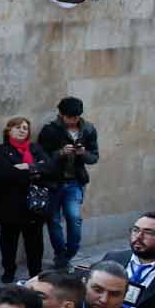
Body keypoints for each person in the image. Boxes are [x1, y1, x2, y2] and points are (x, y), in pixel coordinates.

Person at [39, 97, 98, 267]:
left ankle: (69, 254)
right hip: (53, 184)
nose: (73, 121)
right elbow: (42, 159)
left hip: (75, 182)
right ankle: (60, 256)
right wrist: (60, 153)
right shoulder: (50, 130)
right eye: (70, 117)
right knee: (54, 221)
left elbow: (94, 157)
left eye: (76, 117)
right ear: (61, 115)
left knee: (74, 218)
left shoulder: (87, 129)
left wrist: (83, 154)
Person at [0, 116, 51, 282]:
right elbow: (4, 173)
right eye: (18, 127)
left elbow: (49, 167)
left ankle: (35, 273)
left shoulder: (35, 149)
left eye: (25, 128)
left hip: (34, 204)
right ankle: (9, 271)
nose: (22, 130)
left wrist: (28, 166)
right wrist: (34, 172)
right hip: (9, 204)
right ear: (9, 130)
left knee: (35, 242)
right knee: (9, 241)